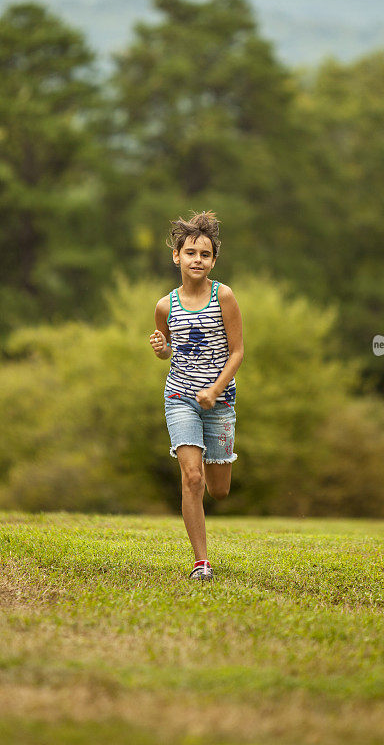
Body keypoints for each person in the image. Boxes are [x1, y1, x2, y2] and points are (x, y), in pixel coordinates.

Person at [149, 211, 244, 582]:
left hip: (219, 402)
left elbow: (237, 352)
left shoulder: (224, 296)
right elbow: (169, 350)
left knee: (218, 490)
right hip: (180, 398)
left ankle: (206, 458)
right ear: (177, 256)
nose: (197, 260)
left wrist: (216, 390)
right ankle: (201, 563)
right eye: (190, 253)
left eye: (205, 254)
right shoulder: (164, 306)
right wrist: (161, 350)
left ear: (213, 260)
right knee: (191, 478)